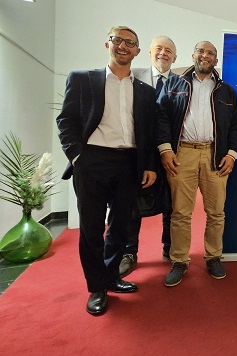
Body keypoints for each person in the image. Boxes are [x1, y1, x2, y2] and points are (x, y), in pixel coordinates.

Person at [56, 26, 158, 315]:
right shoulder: (82, 80)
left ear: (137, 51)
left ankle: (111, 276)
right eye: (118, 40)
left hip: (129, 163)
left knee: (121, 226)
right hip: (92, 162)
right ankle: (96, 287)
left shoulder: (145, 92)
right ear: (107, 44)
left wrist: (149, 165)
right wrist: (77, 157)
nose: (123, 46)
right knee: (91, 228)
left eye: (130, 43)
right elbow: (66, 121)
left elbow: (148, 133)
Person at [156, 41, 237, 287]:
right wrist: (165, 149)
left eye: (210, 53)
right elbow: (160, 117)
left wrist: (232, 153)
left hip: (215, 155)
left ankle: (213, 256)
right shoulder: (174, 84)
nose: (205, 56)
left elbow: (236, 125)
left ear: (216, 60)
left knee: (216, 212)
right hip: (182, 153)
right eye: (201, 51)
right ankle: (179, 261)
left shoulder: (226, 91)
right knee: (180, 212)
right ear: (193, 55)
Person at [114, 35, 178, 278]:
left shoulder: (181, 83)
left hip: (171, 154)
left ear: (175, 57)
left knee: (171, 204)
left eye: (169, 51)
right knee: (131, 206)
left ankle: (170, 247)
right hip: (136, 154)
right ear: (149, 53)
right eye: (159, 49)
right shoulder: (131, 76)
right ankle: (128, 252)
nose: (163, 53)